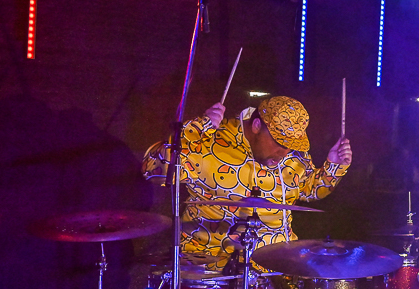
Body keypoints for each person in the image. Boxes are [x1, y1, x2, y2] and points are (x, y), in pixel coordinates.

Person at [142, 96, 352, 269]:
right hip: (209, 265)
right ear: (257, 125)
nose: (283, 152)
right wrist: (193, 130)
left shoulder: (294, 154)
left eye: (290, 145)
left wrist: (333, 167)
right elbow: (152, 170)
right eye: (278, 142)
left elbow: (308, 190)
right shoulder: (210, 140)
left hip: (275, 262)